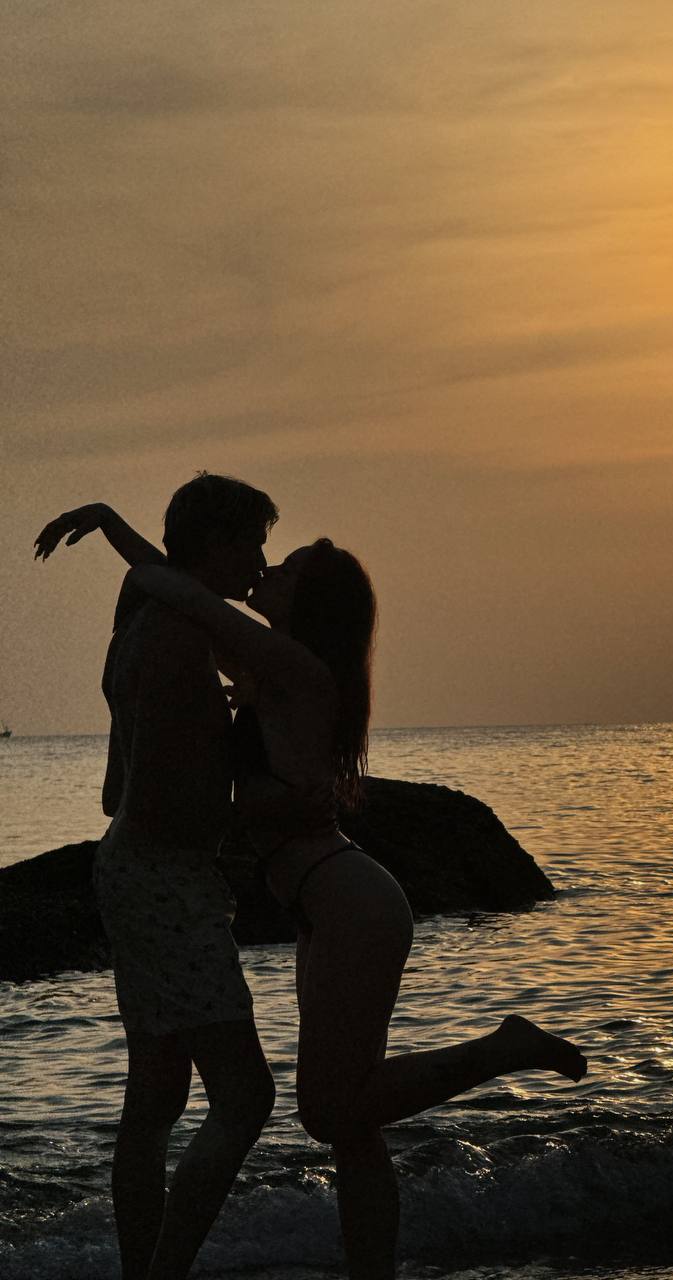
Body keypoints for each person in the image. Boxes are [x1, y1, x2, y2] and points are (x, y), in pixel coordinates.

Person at [40, 508, 588, 1280]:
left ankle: (504, 1047)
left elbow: (184, 591)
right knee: (353, 1124)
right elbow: (182, 584)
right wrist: (113, 529)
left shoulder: (293, 667)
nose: (269, 570)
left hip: (349, 901)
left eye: (288, 569)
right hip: (324, 906)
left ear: (312, 604)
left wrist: (116, 534)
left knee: (328, 1111)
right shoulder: (271, 666)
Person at [34, 476, 279, 1280]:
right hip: (165, 878)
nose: (261, 561)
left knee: (157, 1099)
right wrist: (251, 815)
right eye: (252, 543)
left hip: (134, 870)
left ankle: (142, 1267)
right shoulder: (177, 640)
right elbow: (167, 800)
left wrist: (109, 519)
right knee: (244, 1097)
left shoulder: (148, 610)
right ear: (215, 545)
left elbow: (157, 569)